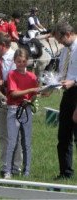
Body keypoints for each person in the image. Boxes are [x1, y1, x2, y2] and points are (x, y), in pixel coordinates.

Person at [0, 32, 22, 177]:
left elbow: (18, 78)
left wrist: (4, 82)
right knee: (3, 135)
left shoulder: (15, 57)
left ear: (2, 45)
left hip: (14, 101)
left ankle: (16, 166)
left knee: (15, 135)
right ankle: (5, 165)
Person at [3, 48, 39, 179]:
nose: (21, 64)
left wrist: (30, 99)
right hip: (14, 109)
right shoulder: (12, 74)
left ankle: (27, 171)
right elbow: (13, 93)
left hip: (26, 109)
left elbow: (34, 95)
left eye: (24, 61)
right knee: (12, 141)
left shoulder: (32, 76)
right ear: (15, 61)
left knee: (27, 143)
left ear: (27, 61)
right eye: (19, 61)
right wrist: (30, 90)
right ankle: (8, 170)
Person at [51, 21, 77, 179]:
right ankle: (65, 172)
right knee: (63, 135)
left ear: (67, 34)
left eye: (60, 39)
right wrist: (50, 86)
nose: (59, 42)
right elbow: (62, 74)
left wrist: (74, 82)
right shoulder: (64, 51)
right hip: (67, 94)